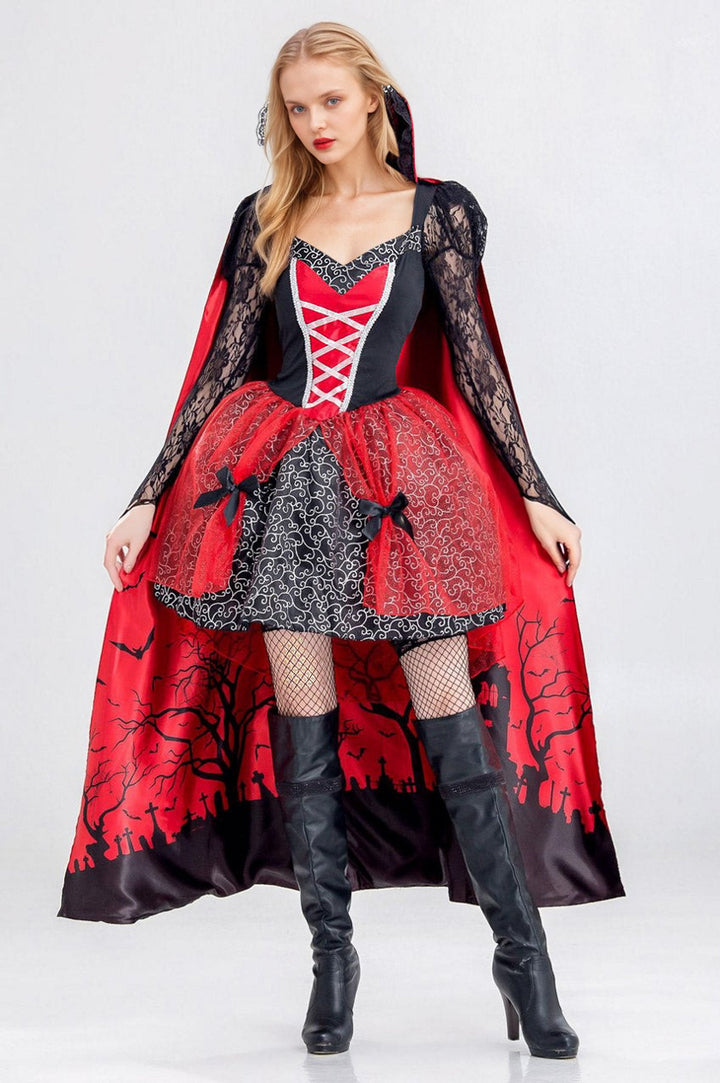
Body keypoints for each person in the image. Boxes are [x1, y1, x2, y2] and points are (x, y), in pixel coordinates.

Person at [59, 20, 625, 1062]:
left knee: (452, 722)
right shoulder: (268, 216)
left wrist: (537, 493)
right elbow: (221, 368)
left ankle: (523, 959)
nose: (315, 121)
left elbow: (478, 363)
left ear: (372, 97)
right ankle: (331, 957)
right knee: (304, 724)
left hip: (399, 485)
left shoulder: (438, 213)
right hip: (280, 483)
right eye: (297, 106)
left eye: (330, 100)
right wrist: (147, 496)